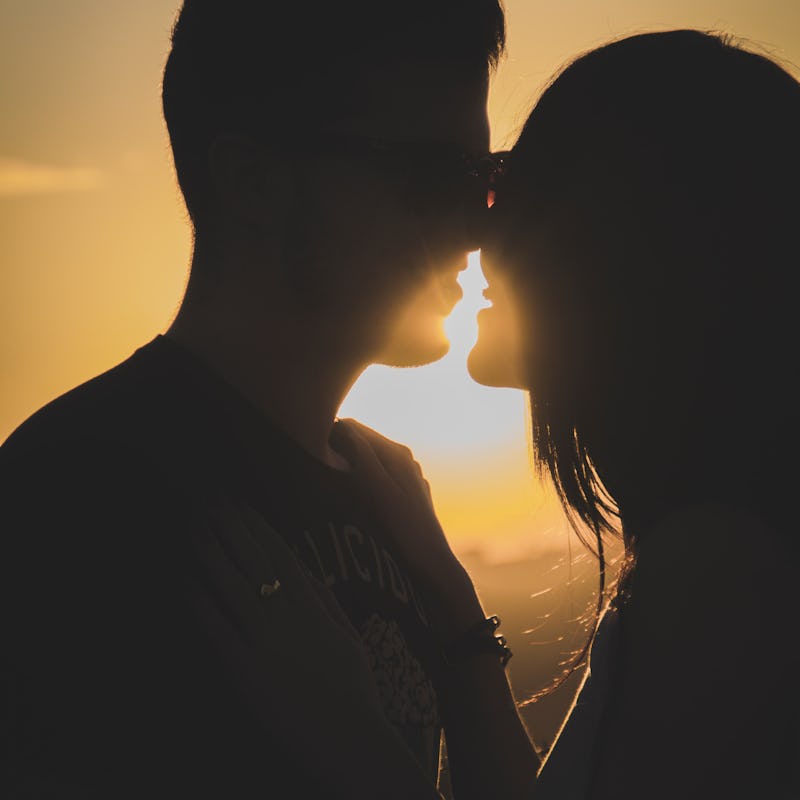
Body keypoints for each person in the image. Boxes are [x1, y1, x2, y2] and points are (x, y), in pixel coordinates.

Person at [0, 1, 541, 798]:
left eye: (486, 182)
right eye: (436, 180)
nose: (474, 231)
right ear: (254, 184)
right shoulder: (79, 492)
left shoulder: (386, 499)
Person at [337, 28, 800, 800]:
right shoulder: (715, 551)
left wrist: (320, 706)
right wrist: (453, 607)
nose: (477, 225)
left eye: (511, 182)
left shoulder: (717, 574)